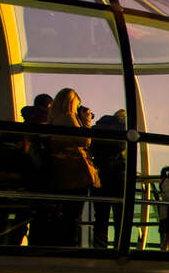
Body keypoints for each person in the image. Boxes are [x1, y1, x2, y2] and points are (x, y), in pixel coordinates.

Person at [37, 88, 99, 247]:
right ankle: (70, 245)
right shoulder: (68, 118)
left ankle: (61, 243)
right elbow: (84, 141)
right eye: (77, 104)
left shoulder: (54, 118)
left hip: (61, 172)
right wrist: (86, 121)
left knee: (63, 212)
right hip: (75, 174)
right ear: (71, 102)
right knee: (73, 214)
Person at [89, 109, 126, 248]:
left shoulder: (97, 129)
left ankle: (99, 249)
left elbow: (90, 149)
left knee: (101, 218)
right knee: (120, 218)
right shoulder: (123, 130)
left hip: (100, 177)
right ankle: (120, 248)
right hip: (119, 178)